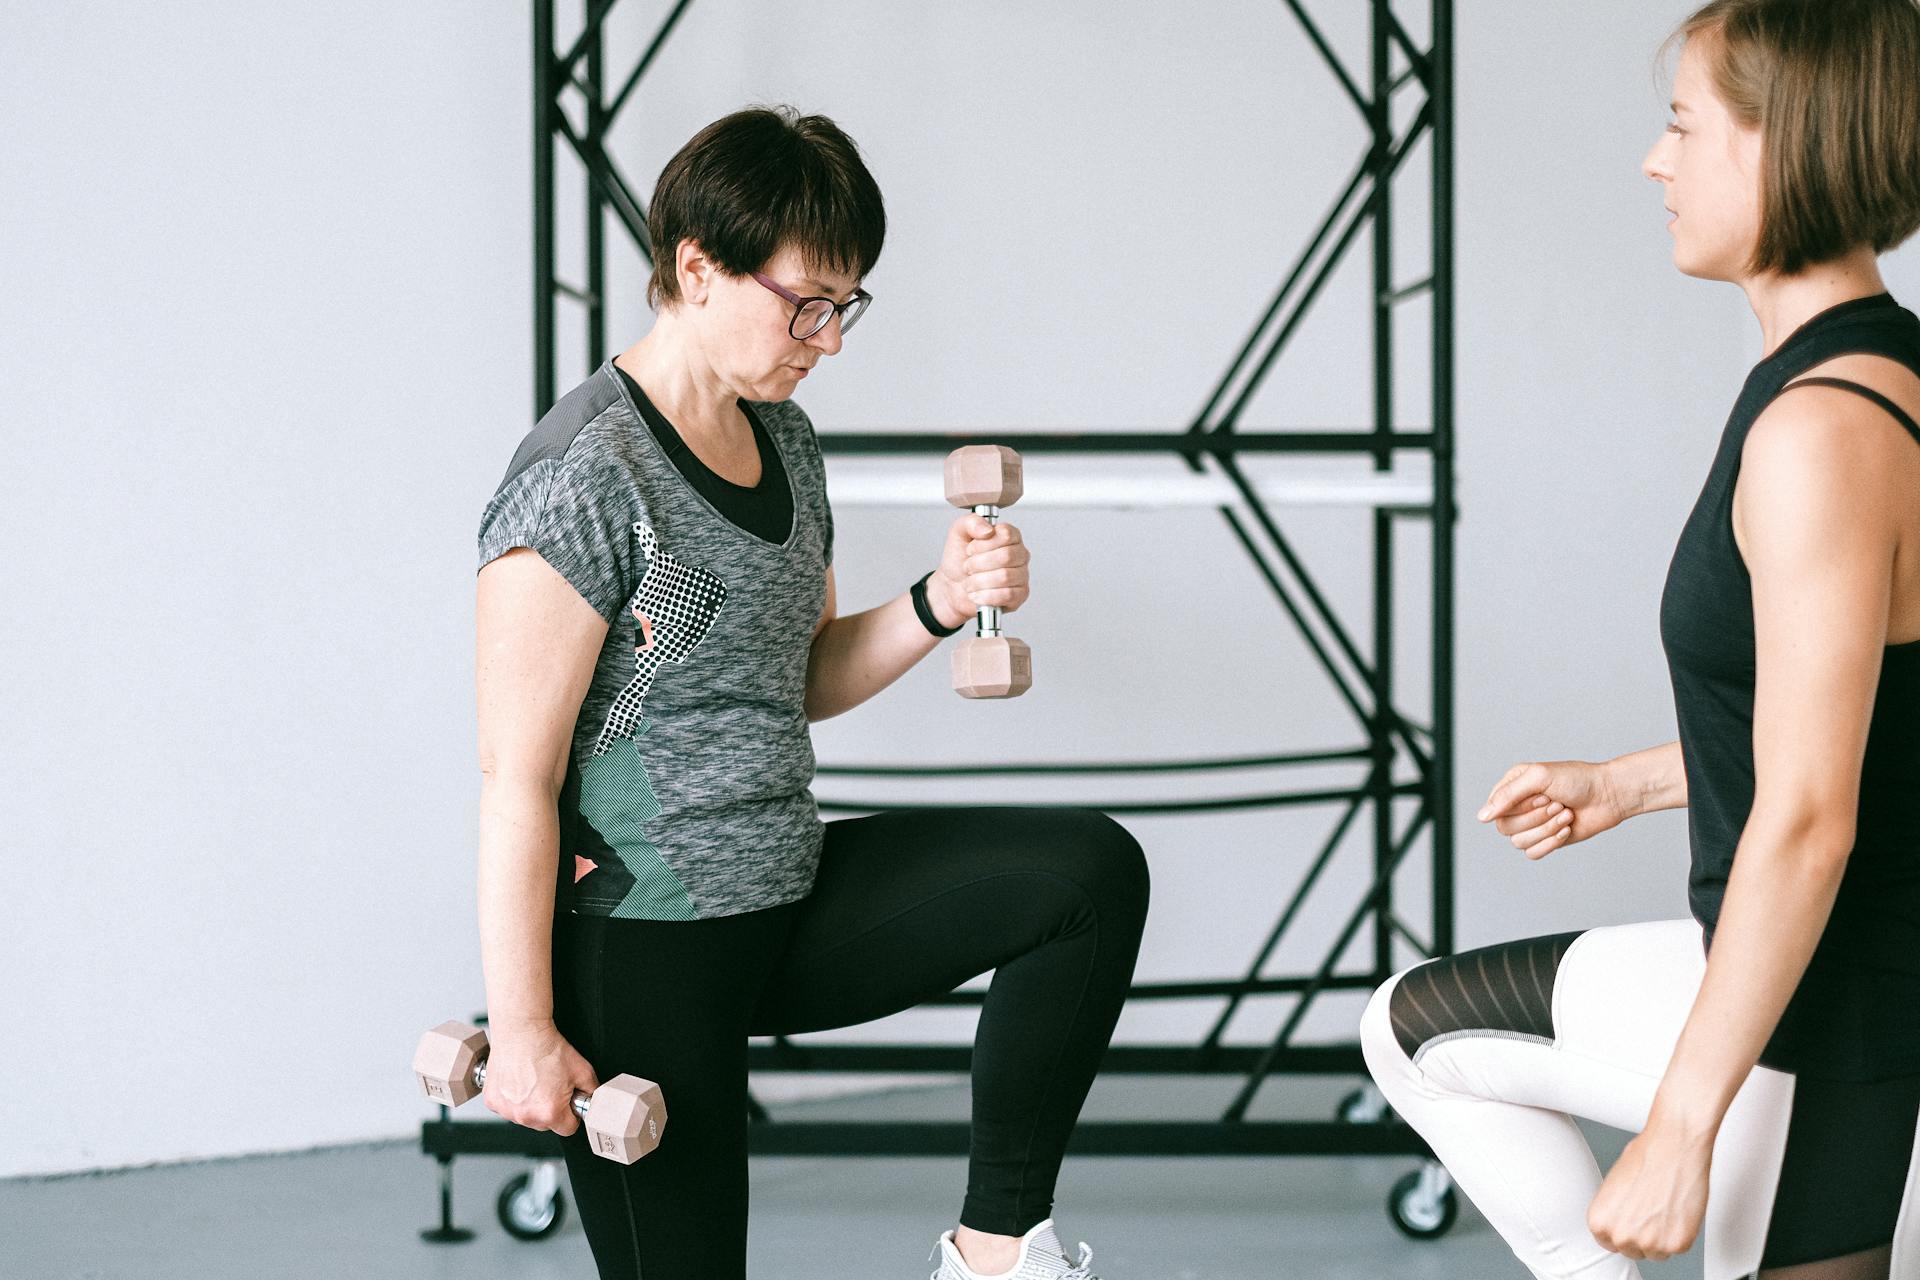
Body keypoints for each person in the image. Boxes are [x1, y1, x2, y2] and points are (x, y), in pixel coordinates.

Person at [471, 107, 1148, 1280]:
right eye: (808, 303)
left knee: (1085, 874)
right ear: (695, 266)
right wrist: (525, 1031)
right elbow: (514, 779)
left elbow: (802, 679)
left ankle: (994, 1257)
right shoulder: (580, 476)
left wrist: (937, 601)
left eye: (848, 306)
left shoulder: (783, 438)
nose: (829, 338)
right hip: (641, 946)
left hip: (783, 893)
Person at [1360, 1, 1920, 1277]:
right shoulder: (1883, 375)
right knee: (1417, 1023)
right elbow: (1868, 712)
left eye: (1682, 126)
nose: (1655, 162)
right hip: (1820, 962)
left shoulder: (1819, 433)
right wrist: (1628, 782)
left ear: (1791, 145)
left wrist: (1678, 1124)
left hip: (1829, 1015)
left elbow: (1809, 815)